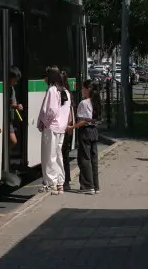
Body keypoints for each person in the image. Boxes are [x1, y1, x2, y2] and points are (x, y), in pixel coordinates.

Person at [37, 66, 71, 195]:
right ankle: (60, 182)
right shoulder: (65, 91)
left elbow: (51, 110)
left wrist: (44, 122)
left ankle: (50, 184)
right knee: (58, 155)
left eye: (46, 76)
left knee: (48, 156)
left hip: (51, 127)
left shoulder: (52, 90)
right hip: (61, 128)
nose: (44, 79)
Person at [69, 79, 102, 194]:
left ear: (88, 89)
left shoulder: (84, 103)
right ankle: (95, 185)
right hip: (94, 131)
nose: (82, 90)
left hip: (85, 131)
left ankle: (88, 185)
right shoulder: (96, 101)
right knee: (93, 159)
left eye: (83, 88)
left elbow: (84, 120)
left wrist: (72, 127)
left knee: (84, 159)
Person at [8, 65, 23, 149]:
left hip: (10, 119)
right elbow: (8, 103)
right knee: (14, 141)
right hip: (7, 120)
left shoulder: (11, 89)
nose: (16, 82)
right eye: (15, 80)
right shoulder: (7, 89)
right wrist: (16, 106)